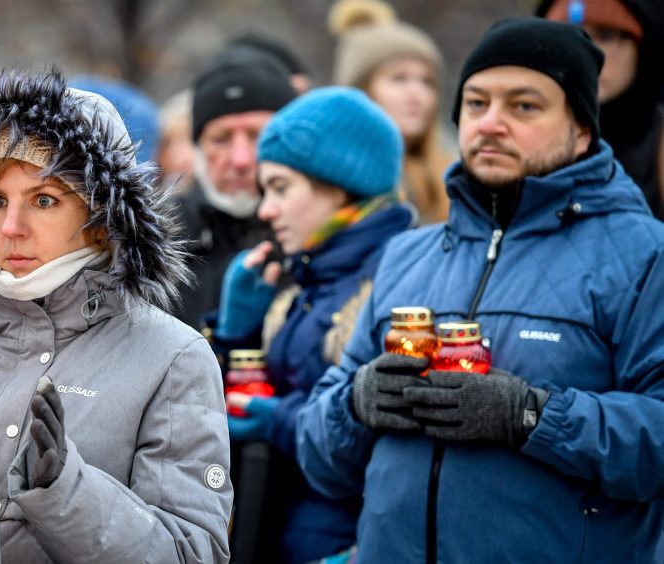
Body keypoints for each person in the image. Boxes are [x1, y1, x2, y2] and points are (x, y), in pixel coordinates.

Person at [295, 18, 664, 562]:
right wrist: (356, 403)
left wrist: (531, 416)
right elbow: (320, 459)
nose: (491, 124)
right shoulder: (407, 254)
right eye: (475, 103)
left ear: (582, 129)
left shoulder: (645, 255)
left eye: (524, 106)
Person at [0, 69, 232, 561]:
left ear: (101, 216)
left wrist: (65, 490)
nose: (11, 227)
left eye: (44, 200)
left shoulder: (174, 359)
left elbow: (193, 552)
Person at [211, 87, 412, 562]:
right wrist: (236, 335)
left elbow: (381, 432)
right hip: (280, 532)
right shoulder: (307, 278)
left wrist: (280, 420)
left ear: (338, 184)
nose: (265, 210)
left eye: (280, 188)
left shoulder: (395, 279)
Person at [174, 48, 297, 328]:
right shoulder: (156, 245)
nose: (240, 159)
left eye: (257, 136)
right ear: (198, 147)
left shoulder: (315, 238)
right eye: (221, 139)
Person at [329, 0, 454, 225]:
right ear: (361, 91)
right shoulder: (332, 181)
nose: (417, 93)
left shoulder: (455, 175)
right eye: (399, 78)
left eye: (427, 82)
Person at [538, 0, 664, 220]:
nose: (584, 51)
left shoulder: (658, 145)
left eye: (606, 35)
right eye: (565, 33)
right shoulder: (514, 133)